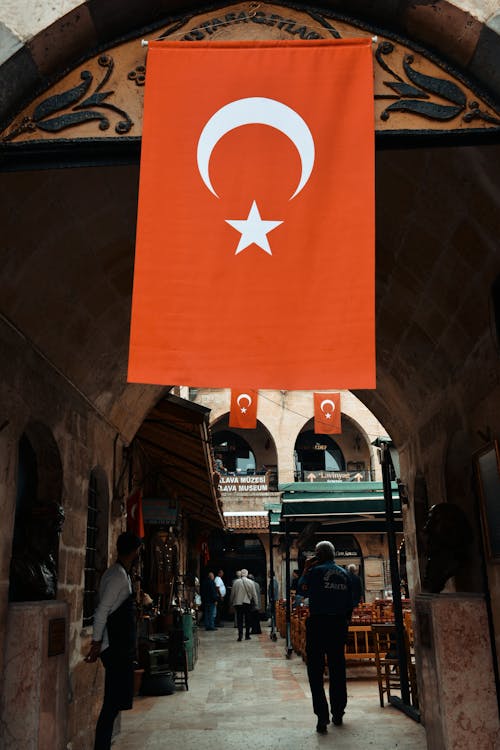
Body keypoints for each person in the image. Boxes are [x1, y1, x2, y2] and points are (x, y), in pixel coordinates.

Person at [85, 531, 142, 750]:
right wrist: (97, 643)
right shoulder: (117, 576)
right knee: (111, 704)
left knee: (114, 702)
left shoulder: (122, 573)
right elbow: (101, 612)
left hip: (119, 646)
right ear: (134, 551)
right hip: (114, 647)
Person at [298, 541, 353, 734]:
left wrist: (306, 568)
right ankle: (338, 712)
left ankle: (322, 716)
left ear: (318, 555)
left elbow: (301, 589)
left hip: (319, 624)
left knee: (315, 671)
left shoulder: (314, 572)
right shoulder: (346, 574)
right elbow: (352, 601)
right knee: (338, 669)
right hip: (338, 624)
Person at [230, 568, 257, 641]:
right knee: (248, 619)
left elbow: (232, 593)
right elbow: (254, 594)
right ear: (247, 574)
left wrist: (231, 601)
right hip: (247, 603)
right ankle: (247, 635)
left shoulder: (236, 582)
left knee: (239, 620)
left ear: (241, 574)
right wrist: (256, 603)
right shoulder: (251, 582)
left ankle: (240, 635)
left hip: (238, 603)